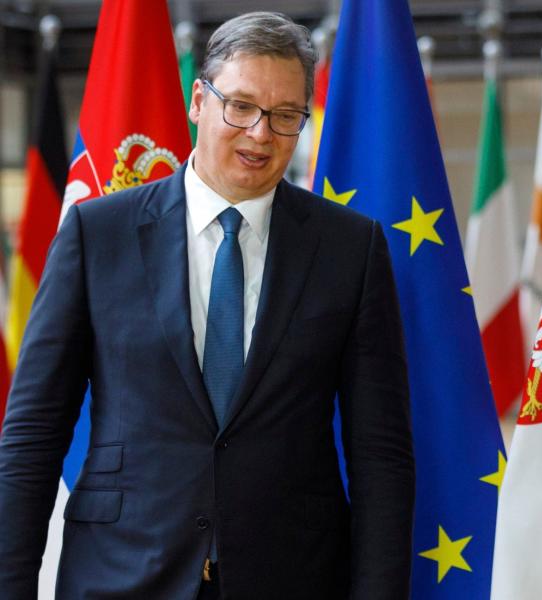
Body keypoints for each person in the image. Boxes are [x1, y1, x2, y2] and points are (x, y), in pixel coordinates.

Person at [0, 12, 414, 600]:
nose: (260, 133)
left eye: (285, 115)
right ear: (199, 99)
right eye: (240, 106)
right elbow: (33, 436)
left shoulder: (352, 248)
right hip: (121, 575)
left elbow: (382, 457)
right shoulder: (98, 234)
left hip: (293, 576)